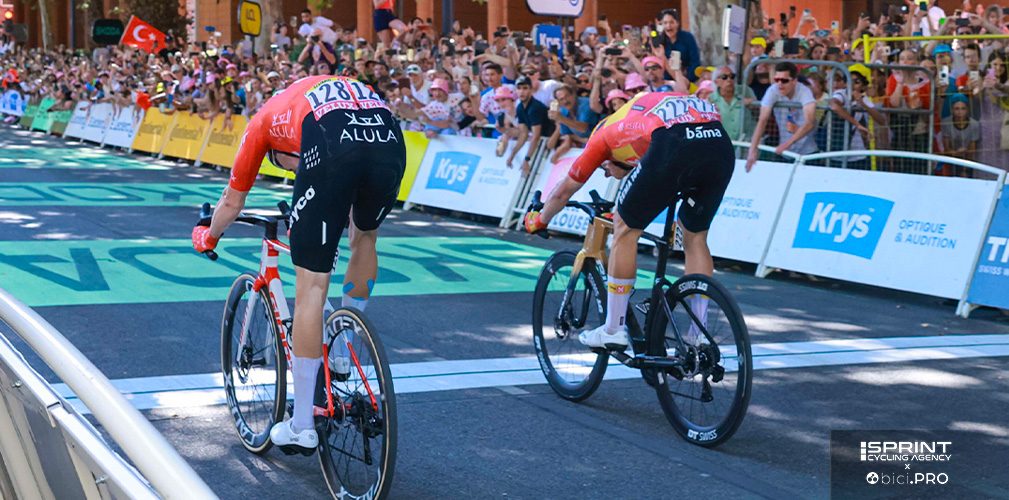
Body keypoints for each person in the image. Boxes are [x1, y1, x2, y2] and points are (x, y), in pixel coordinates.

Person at [191, 75, 405, 453]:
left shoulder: (262, 122)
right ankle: (343, 344)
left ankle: (302, 424)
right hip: (388, 138)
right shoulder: (313, 88)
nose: (292, 171)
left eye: (286, 166)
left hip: (332, 141)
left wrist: (208, 236)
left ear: (279, 150)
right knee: (365, 237)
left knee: (311, 287)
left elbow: (231, 201)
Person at [524, 92, 733, 349]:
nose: (609, 173)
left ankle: (613, 329)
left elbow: (563, 191)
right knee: (695, 236)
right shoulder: (636, 112)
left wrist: (539, 219)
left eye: (606, 168)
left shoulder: (602, 136)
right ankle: (698, 333)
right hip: (718, 142)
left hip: (673, 142)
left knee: (625, 228)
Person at [746, 62, 818, 170]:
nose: (780, 84)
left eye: (784, 80)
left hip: (807, 153)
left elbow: (810, 122)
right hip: (784, 153)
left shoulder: (804, 92)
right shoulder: (773, 90)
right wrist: (752, 150)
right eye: (777, 79)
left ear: (794, 81)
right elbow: (762, 120)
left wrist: (788, 143)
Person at [513, 75, 555, 176]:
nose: (521, 92)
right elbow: (524, 134)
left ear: (531, 90)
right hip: (542, 142)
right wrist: (512, 154)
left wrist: (527, 159)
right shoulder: (520, 107)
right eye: (519, 88)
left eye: (525, 88)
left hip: (551, 141)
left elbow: (536, 136)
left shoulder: (535, 108)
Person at [711, 66, 756, 141]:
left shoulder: (745, 91)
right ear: (716, 82)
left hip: (746, 142)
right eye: (724, 77)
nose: (729, 80)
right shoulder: (711, 99)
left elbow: (759, 111)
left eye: (732, 76)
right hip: (722, 143)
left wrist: (753, 104)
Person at [656, 8, 701, 83]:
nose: (668, 26)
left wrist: (687, 80)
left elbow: (695, 62)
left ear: (677, 23)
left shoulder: (688, 37)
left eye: (671, 22)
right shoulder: (660, 41)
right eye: (665, 23)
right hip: (668, 82)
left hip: (689, 81)